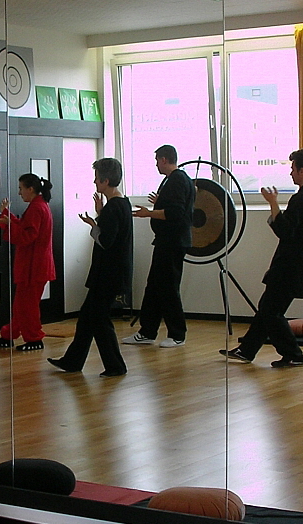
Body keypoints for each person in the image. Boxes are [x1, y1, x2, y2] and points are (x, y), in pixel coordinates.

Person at [220, 148, 303, 368]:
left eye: (293, 169)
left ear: (302, 171)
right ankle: (247, 350)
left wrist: (273, 202)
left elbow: (284, 231)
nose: (291, 173)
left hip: (289, 266)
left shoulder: (301, 199)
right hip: (299, 265)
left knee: (271, 312)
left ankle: (294, 354)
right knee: (267, 308)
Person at [48, 158, 133, 377]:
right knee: (87, 316)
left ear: (106, 181)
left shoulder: (114, 207)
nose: (94, 182)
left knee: (98, 318)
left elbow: (106, 240)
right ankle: (72, 361)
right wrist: (100, 215)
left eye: (97, 179)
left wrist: (94, 226)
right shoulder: (121, 203)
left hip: (108, 273)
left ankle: (115, 366)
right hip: (110, 272)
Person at [122, 144, 195, 348]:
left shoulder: (177, 180)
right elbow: (172, 206)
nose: (156, 164)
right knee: (154, 287)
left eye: (157, 160)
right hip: (166, 241)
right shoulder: (176, 180)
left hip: (173, 242)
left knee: (169, 288)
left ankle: (177, 334)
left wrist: (149, 213)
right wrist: (160, 202)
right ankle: (147, 331)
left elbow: (176, 213)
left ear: (164, 159)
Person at [0, 173, 55, 351]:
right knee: (21, 305)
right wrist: (8, 218)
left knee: (27, 306)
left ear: (30, 189)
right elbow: (26, 228)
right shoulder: (38, 205)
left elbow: (27, 236)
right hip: (34, 265)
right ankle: (9, 335)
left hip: (35, 266)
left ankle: (34, 339)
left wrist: (9, 223)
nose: (19, 193)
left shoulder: (37, 207)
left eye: (20, 189)